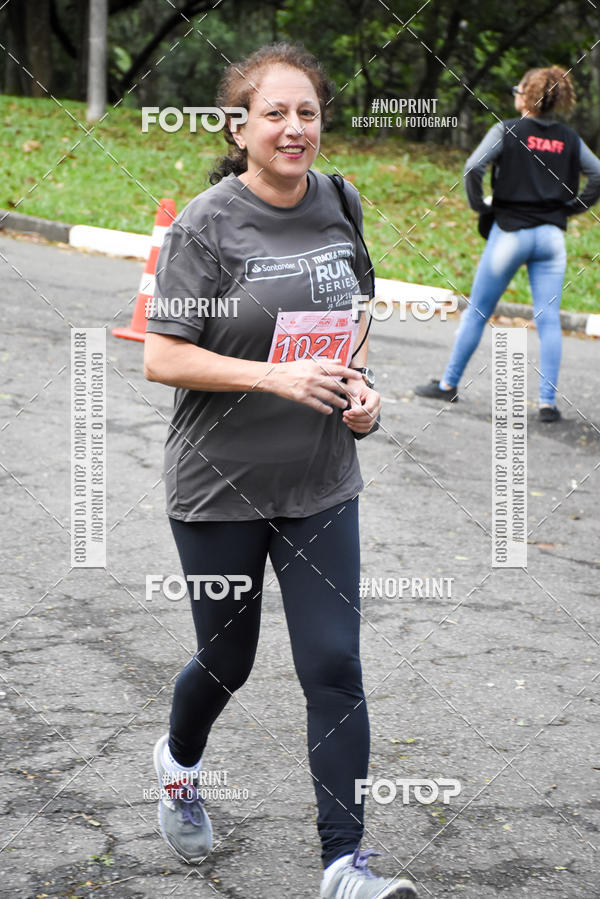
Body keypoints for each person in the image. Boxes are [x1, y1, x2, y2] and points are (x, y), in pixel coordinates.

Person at [144, 42, 417, 899]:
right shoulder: (205, 224)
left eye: (307, 113)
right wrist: (273, 374)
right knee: (227, 660)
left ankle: (345, 864)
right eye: (275, 113)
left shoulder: (341, 202)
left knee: (335, 665)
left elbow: (354, 312)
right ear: (241, 126)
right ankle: (180, 763)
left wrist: (360, 388)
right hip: (219, 487)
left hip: (320, 483)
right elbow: (160, 354)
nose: (294, 128)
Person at [415, 65, 600, 421]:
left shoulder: (507, 130)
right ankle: (547, 405)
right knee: (549, 320)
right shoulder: (569, 139)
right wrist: (571, 209)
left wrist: (480, 205)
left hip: (509, 234)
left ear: (527, 96)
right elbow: (597, 175)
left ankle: (447, 385)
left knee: (479, 311)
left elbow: (473, 168)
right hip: (551, 237)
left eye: (519, 88)